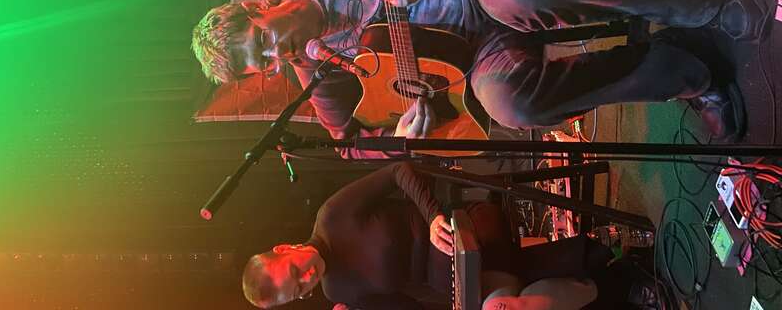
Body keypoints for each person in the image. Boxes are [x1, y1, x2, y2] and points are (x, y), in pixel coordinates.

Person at [192, 0, 768, 153]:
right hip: (476, 52)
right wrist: (399, 138)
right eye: (264, 65)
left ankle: (701, 2)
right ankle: (681, 70)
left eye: (262, 41)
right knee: (509, 105)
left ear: (256, 6)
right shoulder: (315, 73)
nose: (278, 56)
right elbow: (349, 144)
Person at [241, 162, 657, 310]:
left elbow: (398, 171)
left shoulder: (332, 217)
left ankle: (614, 273)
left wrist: (432, 215)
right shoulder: (338, 290)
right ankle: (608, 264)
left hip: (461, 229)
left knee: (502, 282)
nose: (306, 279)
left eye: (294, 271)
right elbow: (408, 306)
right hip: (459, 286)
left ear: (284, 248)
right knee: (505, 307)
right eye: (298, 291)